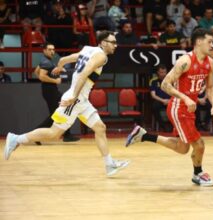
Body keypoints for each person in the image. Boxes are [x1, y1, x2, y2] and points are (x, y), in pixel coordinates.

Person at [4, 31, 129, 177]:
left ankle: (109, 165)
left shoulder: (88, 49)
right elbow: (84, 74)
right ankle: (15, 139)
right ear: (103, 42)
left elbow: (65, 58)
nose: (115, 45)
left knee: (100, 128)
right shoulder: (102, 57)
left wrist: (59, 66)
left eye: (115, 42)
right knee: (54, 133)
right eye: (112, 42)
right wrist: (73, 96)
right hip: (75, 99)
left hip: (82, 101)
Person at [126, 28, 213, 187]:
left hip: (189, 109)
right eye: (209, 41)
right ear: (198, 42)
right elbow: (164, 84)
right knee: (199, 144)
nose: (212, 45)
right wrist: (185, 98)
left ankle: (143, 135)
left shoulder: (210, 63)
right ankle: (198, 174)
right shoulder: (185, 61)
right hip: (179, 108)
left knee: (183, 148)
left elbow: (210, 88)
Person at [34, 42, 80, 145]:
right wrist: (55, 81)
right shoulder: (46, 62)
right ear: (44, 50)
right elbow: (41, 76)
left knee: (61, 111)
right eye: (49, 49)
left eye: (53, 49)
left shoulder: (45, 61)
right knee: (55, 115)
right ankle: (35, 134)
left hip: (50, 90)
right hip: (50, 91)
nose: (52, 51)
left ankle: (67, 135)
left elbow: (36, 71)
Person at [149, 64, 171, 131]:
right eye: (161, 72)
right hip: (160, 101)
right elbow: (153, 95)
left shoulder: (170, 79)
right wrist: (163, 100)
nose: (163, 74)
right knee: (154, 107)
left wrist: (170, 100)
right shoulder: (153, 81)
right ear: (158, 72)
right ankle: (163, 126)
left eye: (164, 72)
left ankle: (174, 126)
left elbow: (176, 92)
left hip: (170, 101)